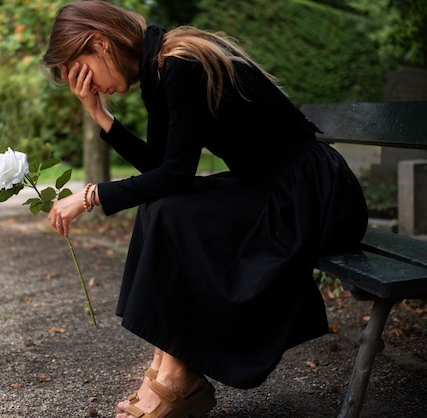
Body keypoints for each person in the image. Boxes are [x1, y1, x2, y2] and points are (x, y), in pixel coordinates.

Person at [41, 1, 368, 417]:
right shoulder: (159, 71)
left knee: (171, 211)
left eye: (80, 70)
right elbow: (160, 170)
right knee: (162, 207)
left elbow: (175, 175)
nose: (84, 84)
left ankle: (178, 378)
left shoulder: (182, 63)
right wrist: (99, 114)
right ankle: (169, 369)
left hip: (312, 194)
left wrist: (92, 196)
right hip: (271, 185)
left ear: (101, 43)